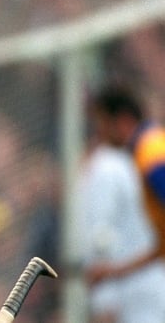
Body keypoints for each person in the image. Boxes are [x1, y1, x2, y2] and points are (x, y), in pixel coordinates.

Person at [87, 83, 165, 287]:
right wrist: (114, 272)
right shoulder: (148, 151)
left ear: (122, 121)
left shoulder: (151, 155)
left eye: (102, 123)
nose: (99, 134)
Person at [77, 141, 165, 322]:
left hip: (132, 299)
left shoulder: (105, 169)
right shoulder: (135, 161)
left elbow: (101, 238)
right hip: (147, 290)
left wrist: (104, 302)